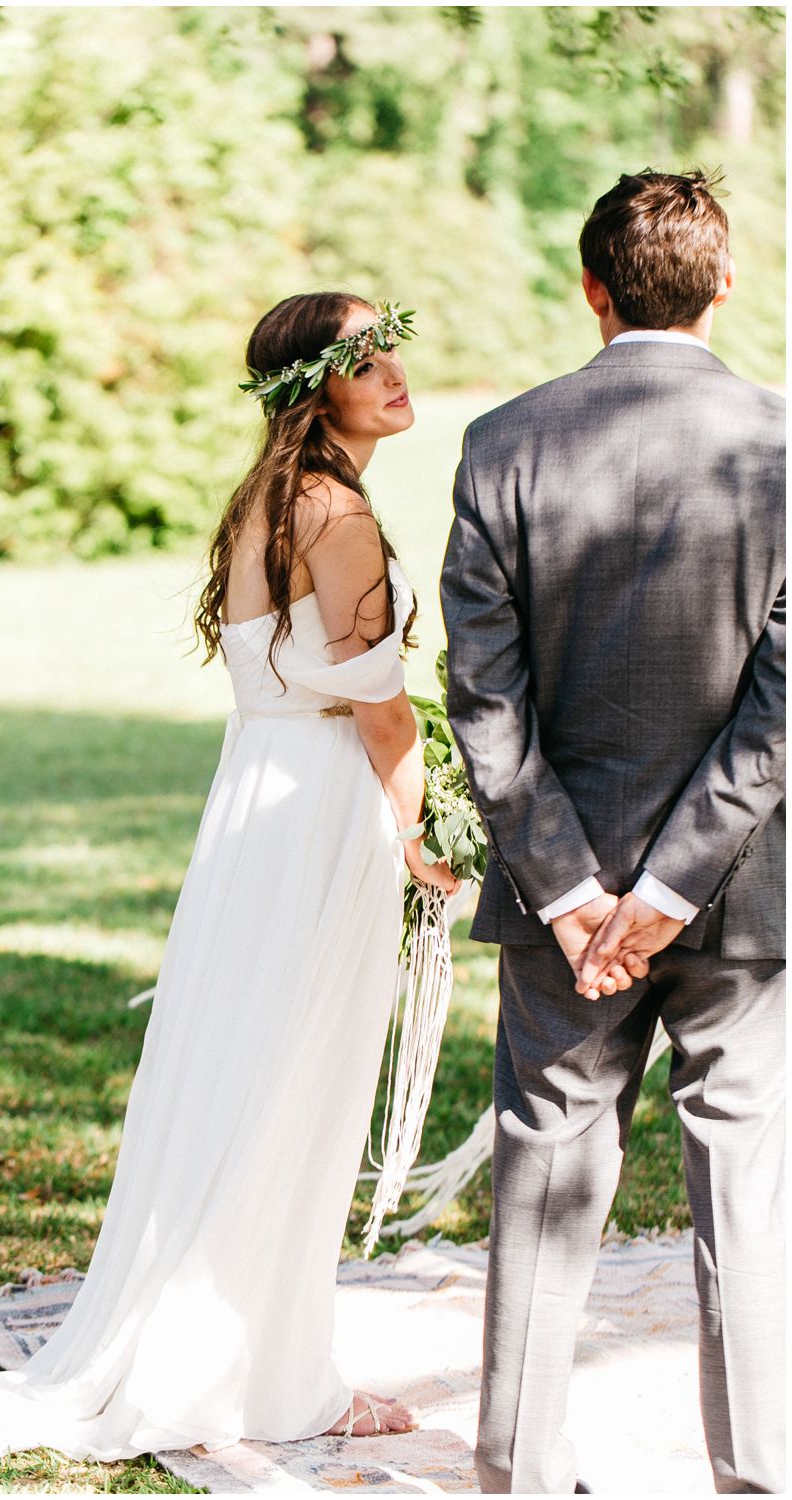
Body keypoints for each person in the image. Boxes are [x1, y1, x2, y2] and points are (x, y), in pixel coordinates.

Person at [0, 292, 458, 1465]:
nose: (395, 369)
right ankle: (275, 1376)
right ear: (312, 385)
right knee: (294, 1085)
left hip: (255, 800)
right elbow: (381, 710)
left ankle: (248, 1347)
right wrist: (414, 837)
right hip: (315, 813)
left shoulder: (266, 496)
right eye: (366, 354)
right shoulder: (337, 513)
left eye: (392, 343)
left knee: (244, 1071)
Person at [441, 168, 785, 1494]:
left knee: (544, 1177)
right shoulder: (781, 443)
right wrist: (674, 884)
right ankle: (761, 1476)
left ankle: (517, 1475)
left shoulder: (503, 443)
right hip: (746, 894)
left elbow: (487, 691)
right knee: (750, 1189)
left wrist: (579, 895)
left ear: (591, 291)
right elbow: (783, 702)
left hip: (559, 904)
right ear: (727, 281)